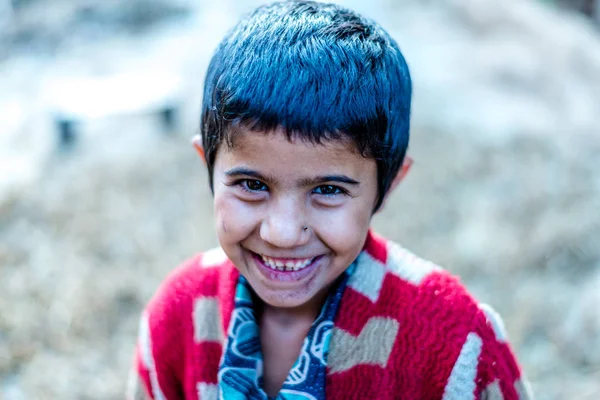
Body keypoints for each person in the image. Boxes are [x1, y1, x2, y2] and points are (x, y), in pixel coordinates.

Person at [127, 1, 533, 399]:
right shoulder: (178, 316)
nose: (283, 233)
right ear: (208, 170)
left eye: (328, 190)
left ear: (387, 187)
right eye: (251, 185)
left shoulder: (453, 344)